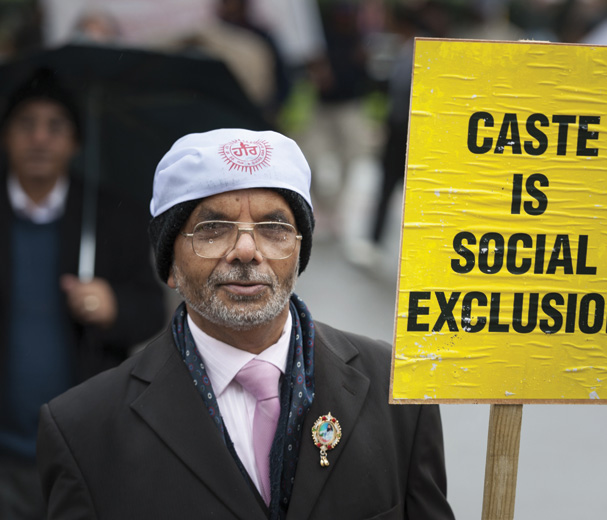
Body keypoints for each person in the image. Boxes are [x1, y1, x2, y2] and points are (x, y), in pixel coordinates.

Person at [37, 128, 454, 519]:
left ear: (298, 252)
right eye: (213, 228)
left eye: (274, 227)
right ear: (170, 268)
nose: (246, 250)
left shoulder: (397, 390)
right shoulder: (85, 432)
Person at [0, 69, 166, 518]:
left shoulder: (111, 215)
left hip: (83, 447)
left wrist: (114, 307)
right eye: (25, 124)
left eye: (55, 126)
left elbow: (152, 307)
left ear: (75, 142)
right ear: (5, 136)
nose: (39, 138)